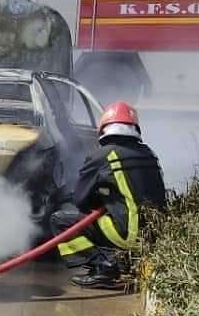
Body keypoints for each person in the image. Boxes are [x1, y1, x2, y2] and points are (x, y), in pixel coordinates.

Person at [51, 102, 166, 290]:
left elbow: (81, 201)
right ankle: (121, 261)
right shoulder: (148, 153)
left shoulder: (102, 156)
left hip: (129, 235)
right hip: (155, 234)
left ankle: (104, 266)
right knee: (114, 219)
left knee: (61, 221)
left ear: (104, 128)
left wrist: (98, 197)